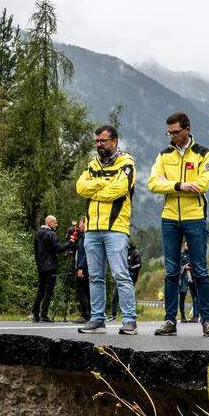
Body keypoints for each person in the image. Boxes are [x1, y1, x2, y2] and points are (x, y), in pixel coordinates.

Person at [147, 112, 209, 337]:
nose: (172, 136)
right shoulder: (164, 154)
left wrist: (170, 184)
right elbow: (152, 183)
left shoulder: (203, 153)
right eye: (169, 132)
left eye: (176, 132)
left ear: (187, 129)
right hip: (169, 217)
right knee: (171, 272)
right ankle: (169, 320)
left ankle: (207, 321)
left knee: (200, 270)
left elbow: (203, 184)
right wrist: (179, 186)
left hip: (195, 216)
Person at [75, 125, 138, 334]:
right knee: (95, 277)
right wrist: (103, 184)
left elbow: (118, 190)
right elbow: (80, 187)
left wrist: (95, 189)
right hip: (92, 229)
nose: (99, 145)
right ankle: (97, 318)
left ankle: (129, 320)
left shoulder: (127, 163)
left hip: (116, 228)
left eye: (103, 141)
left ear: (115, 142)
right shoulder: (92, 164)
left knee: (121, 274)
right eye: (97, 141)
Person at [31, 216, 71, 322]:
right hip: (51, 266)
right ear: (49, 222)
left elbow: (35, 250)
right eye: (55, 222)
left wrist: (38, 264)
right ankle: (44, 314)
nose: (56, 225)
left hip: (41, 266)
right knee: (48, 291)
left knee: (40, 290)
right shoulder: (51, 234)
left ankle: (35, 314)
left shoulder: (38, 234)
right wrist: (70, 243)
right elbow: (58, 249)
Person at [110, 243, 143, 321]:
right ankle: (113, 315)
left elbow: (138, 265)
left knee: (127, 297)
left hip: (131, 278)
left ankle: (129, 316)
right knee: (115, 296)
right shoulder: (122, 252)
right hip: (120, 277)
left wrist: (129, 268)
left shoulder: (136, 252)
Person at [73, 217, 91, 323]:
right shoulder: (82, 236)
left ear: (85, 224)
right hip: (84, 267)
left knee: (82, 291)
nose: (79, 226)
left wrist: (80, 267)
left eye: (80, 224)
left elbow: (85, 254)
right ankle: (88, 314)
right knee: (86, 291)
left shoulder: (85, 237)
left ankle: (85, 315)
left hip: (84, 268)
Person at [178, 242, 200, 322]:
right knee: (182, 297)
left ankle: (196, 316)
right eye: (186, 244)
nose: (187, 246)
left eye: (188, 244)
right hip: (184, 278)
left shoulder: (194, 254)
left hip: (193, 277)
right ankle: (183, 316)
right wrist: (184, 267)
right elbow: (177, 266)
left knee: (195, 297)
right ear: (184, 245)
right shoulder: (181, 255)